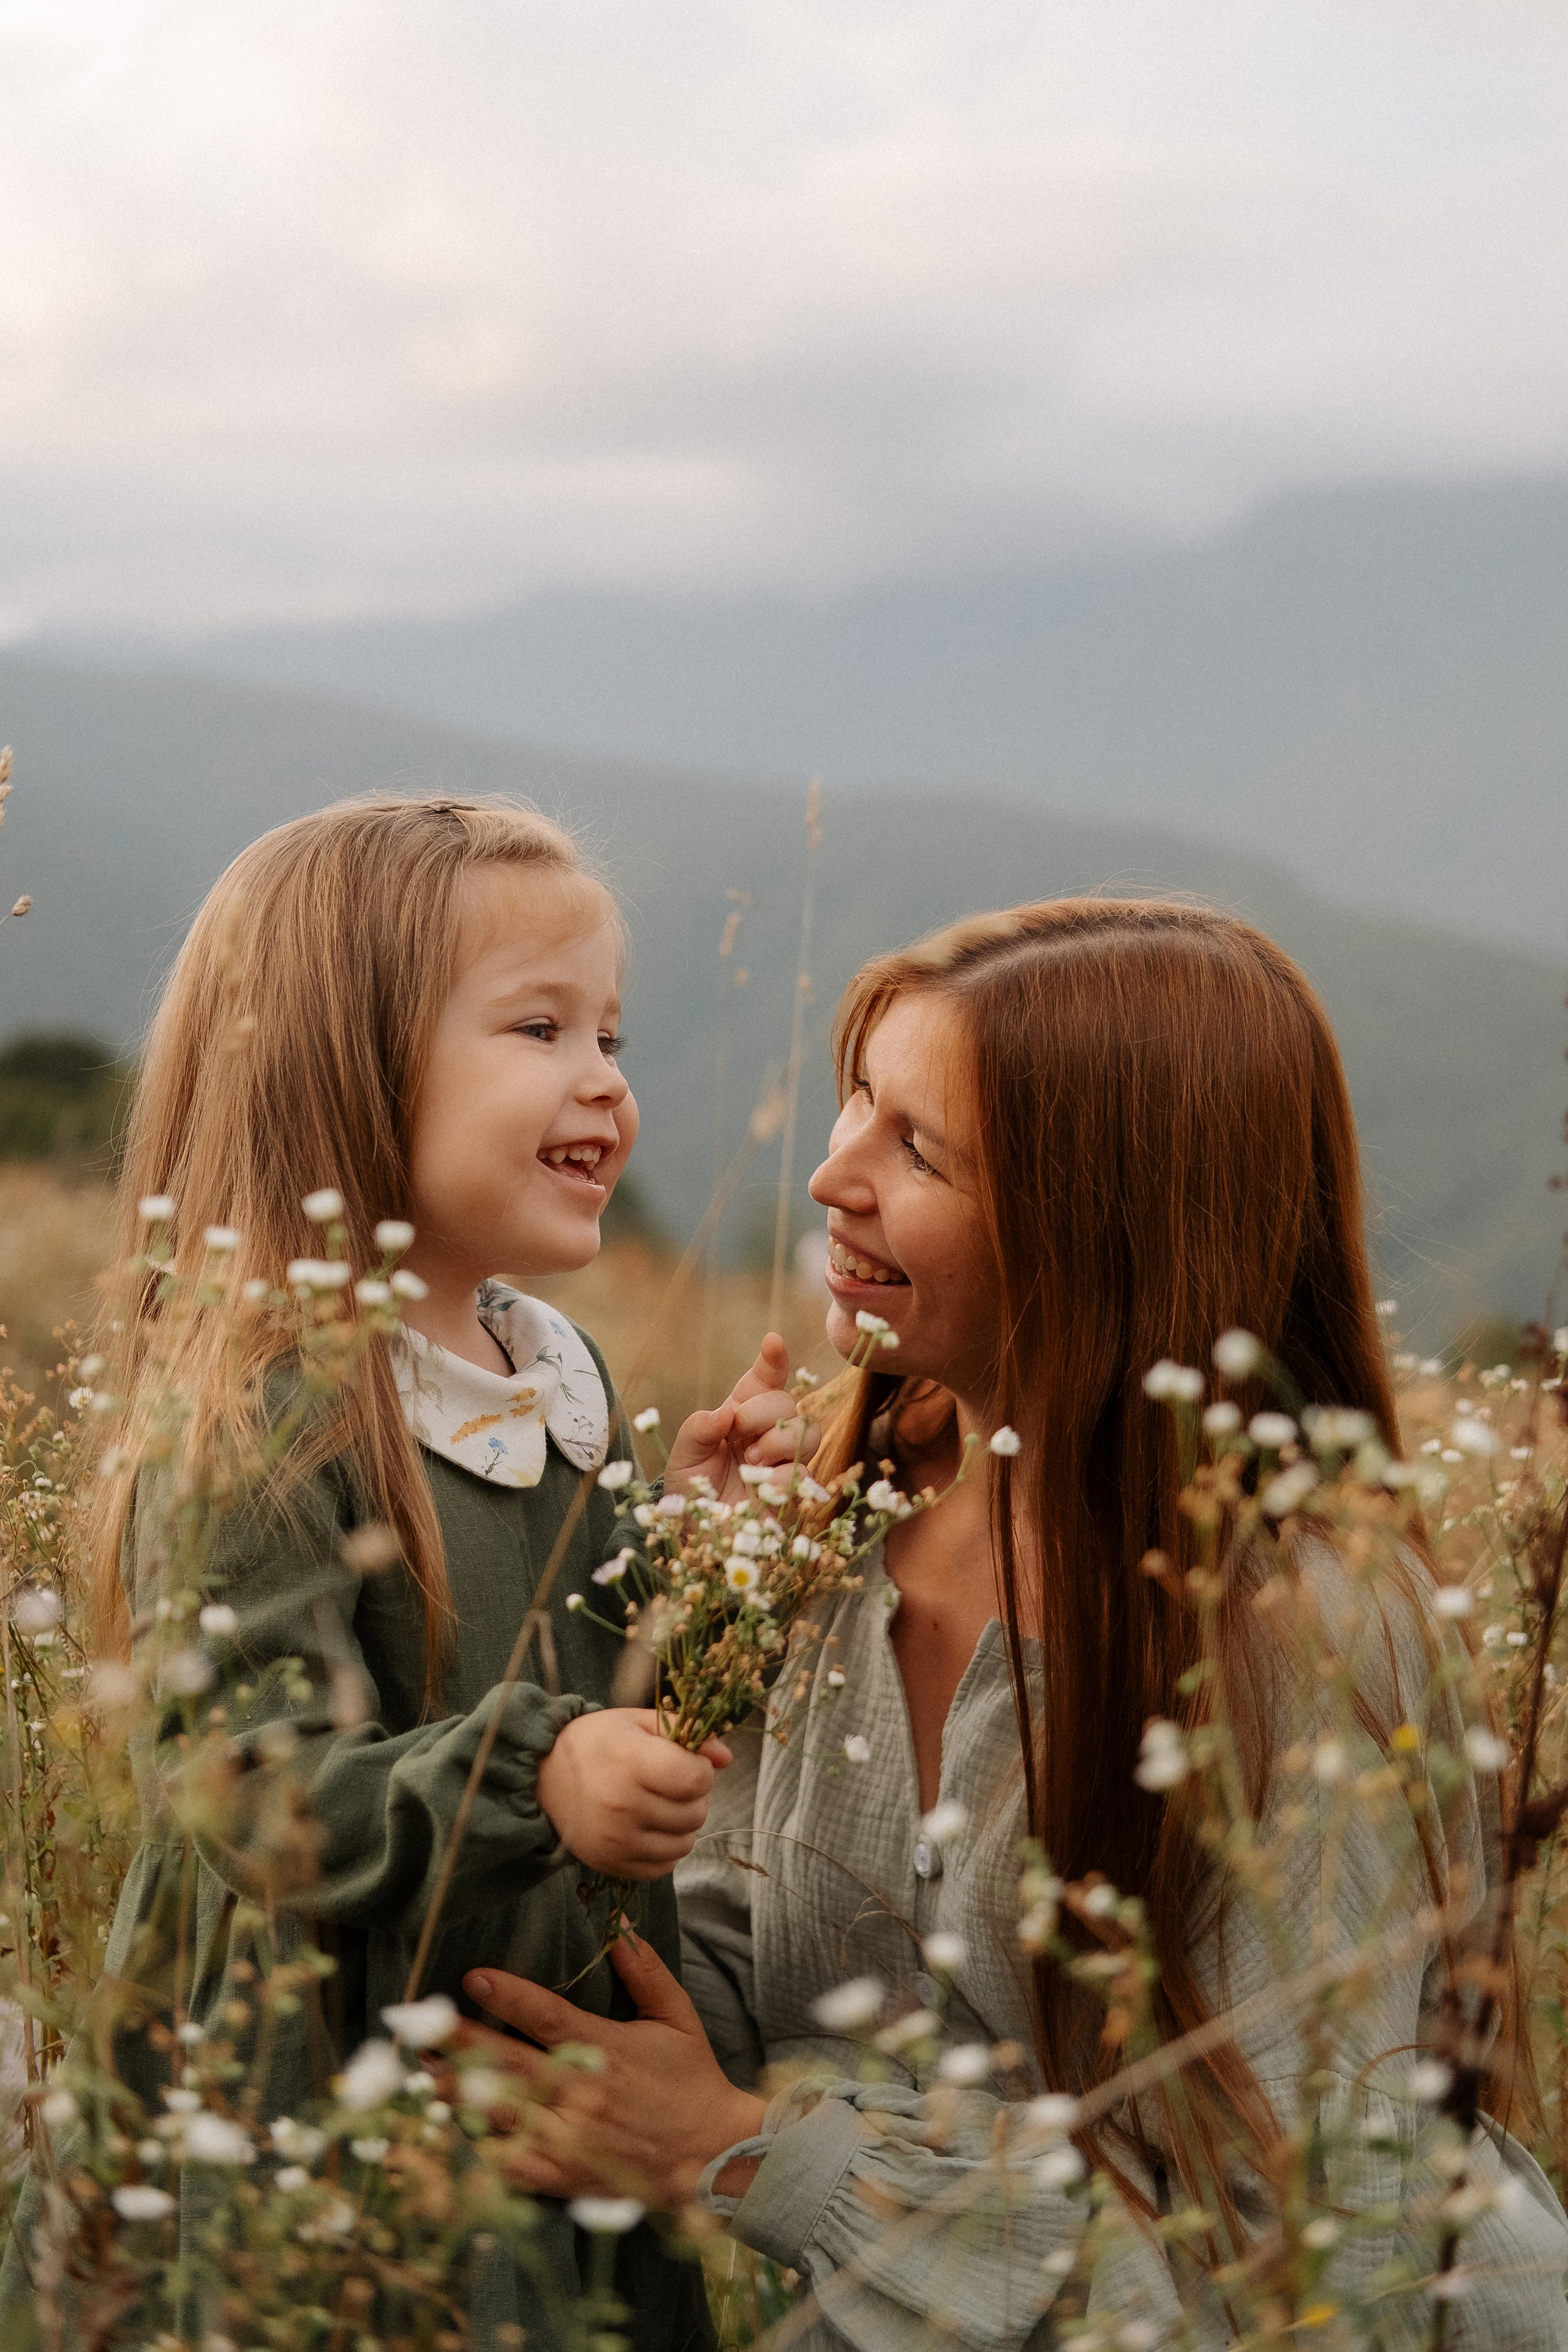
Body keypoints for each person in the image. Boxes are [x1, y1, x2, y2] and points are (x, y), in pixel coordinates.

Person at [459, 899, 1568, 2350]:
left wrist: (745, 2157)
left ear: (1105, 1227)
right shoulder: (839, 1510)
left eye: (914, 1149)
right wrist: (670, 1611)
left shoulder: (1293, 1626)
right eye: (855, 1102)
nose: (825, 1175)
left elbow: (1296, 2265)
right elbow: (741, 1969)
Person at [1, 794, 804, 2351]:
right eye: (539, 1029)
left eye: (613, 1037)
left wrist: (699, 1552)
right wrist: (537, 1778)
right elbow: (244, 1783)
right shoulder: (268, 1401)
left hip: (541, 2066)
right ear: (345, 1064)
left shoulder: (542, 1359)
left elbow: (593, 1685)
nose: (604, 1084)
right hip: (341, 2109)